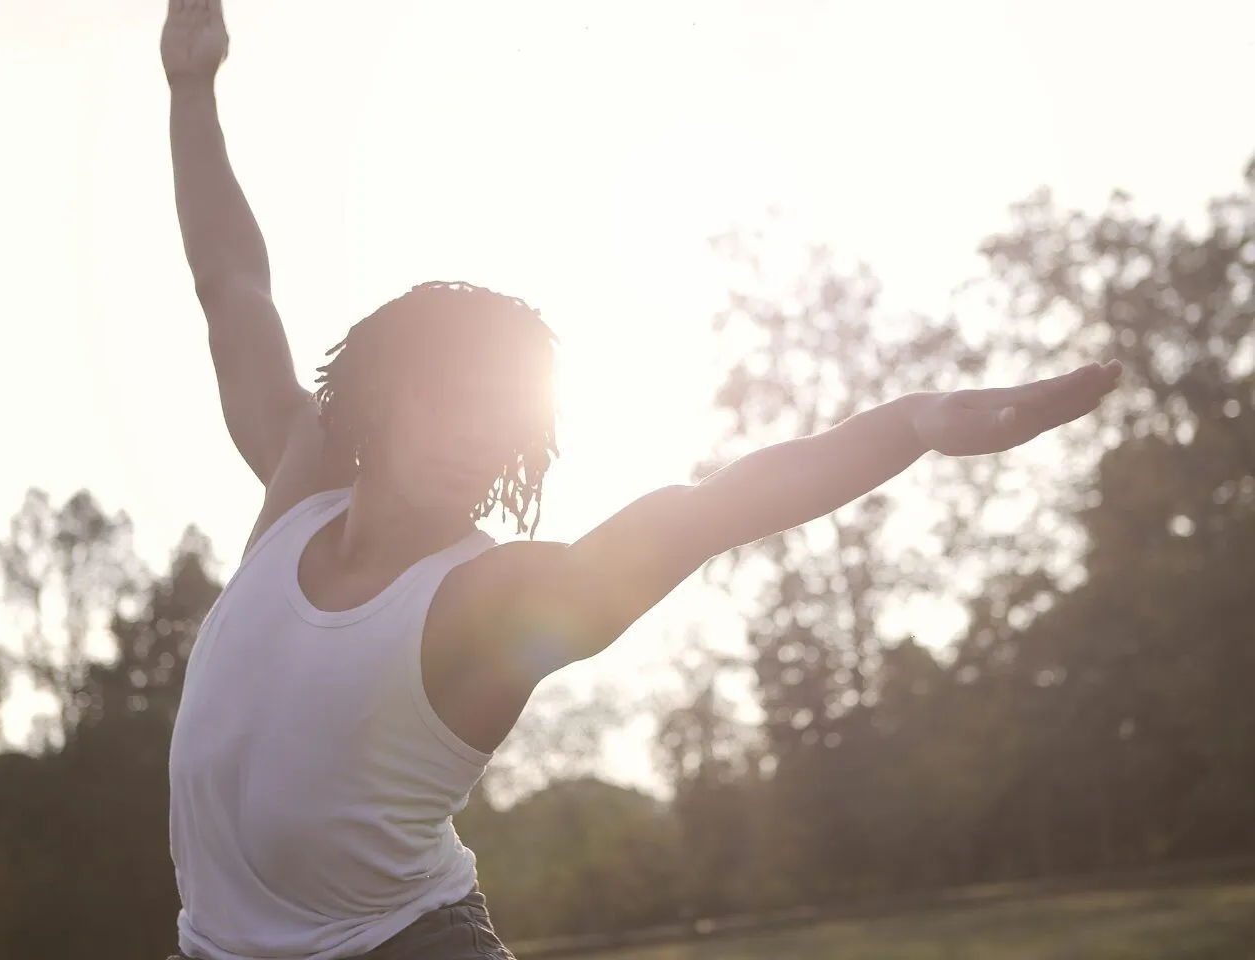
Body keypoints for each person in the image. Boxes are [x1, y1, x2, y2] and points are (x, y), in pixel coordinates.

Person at [159, 2, 1122, 959]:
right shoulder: (297, 490)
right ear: (373, 399)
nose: (472, 446)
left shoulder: (487, 600)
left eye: (500, 428)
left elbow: (711, 511)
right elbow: (230, 288)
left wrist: (912, 424)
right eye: (449, 406)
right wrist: (192, 88)